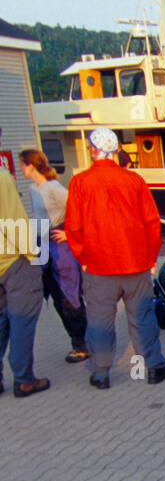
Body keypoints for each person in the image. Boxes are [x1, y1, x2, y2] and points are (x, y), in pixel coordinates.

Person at [65, 126, 165, 390]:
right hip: (136, 262)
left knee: (100, 320)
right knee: (142, 316)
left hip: (99, 266)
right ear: (115, 151)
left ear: (94, 150)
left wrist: (83, 258)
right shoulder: (134, 181)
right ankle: (154, 367)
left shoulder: (80, 182)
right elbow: (151, 223)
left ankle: (101, 373)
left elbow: (73, 227)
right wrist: (150, 257)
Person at [19, 149, 89, 362]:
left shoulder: (54, 188)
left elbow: (79, 209)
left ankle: (84, 343)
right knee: (57, 297)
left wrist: (69, 233)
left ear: (31, 165)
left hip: (60, 247)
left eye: (22, 164)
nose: (21, 168)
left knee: (69, 295)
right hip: (44, 246)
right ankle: (77, 341)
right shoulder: (33, 188)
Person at [0, 159, 50, 396]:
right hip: (12, 260)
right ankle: (24, 379)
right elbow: (13, 220)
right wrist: (33, 255)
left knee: (1, 322)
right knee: (22, 320)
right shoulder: (2, 178)